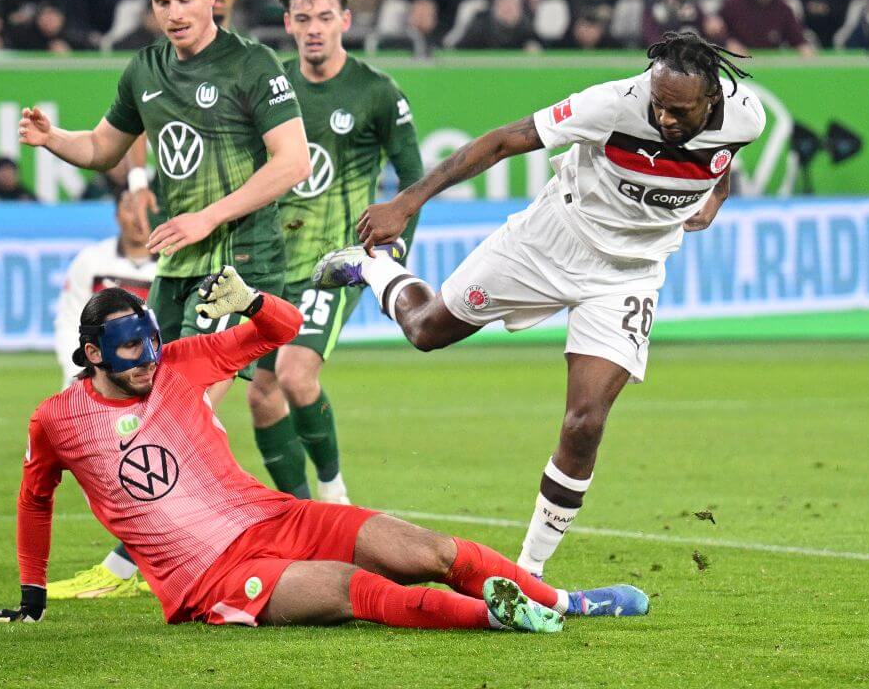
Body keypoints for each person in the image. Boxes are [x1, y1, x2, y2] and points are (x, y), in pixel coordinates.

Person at [312, 32, 766, 579]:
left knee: (585, 422)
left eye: (679, 110)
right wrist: (408, 201)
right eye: (658, 104)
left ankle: (528, 573)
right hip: (551, 240)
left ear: (712, 99)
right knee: (427, 331)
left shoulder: (748, 116)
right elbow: (506, 140)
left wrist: (714, 196)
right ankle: (374, 268)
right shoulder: (613, 103)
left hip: (628, 275)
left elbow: (725, 159)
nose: (665, 118)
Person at [0, 271, 649, 628]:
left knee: (428, 552)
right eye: (129, 353)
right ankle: (501, 619)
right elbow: (35, 500)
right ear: (92, 354)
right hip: (206, 581)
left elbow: (285, 328)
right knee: (359, 590)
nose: (148, 362)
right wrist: (31, 598)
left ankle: (564, 602)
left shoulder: (180, 361)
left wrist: (252, 301)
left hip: (277, 519)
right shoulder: (57, 421)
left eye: (151, 345)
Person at [19, 0, 310, 599]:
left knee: (194, 406)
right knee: (167, 410)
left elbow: (291, 161)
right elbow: (102, 148)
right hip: (179, 263)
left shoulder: (252, 64)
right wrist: (53, 139)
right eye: (161, 3)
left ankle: (158, 559)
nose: (174, 13)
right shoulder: (145, 68)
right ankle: (254, 534)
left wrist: (210, 217)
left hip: (241, 258)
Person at [241, 0, 424, 503]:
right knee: (262, 395)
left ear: (345, 20)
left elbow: (412, 181)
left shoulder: (376, 92)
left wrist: (391, 257)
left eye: (325, 17)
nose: (314, 29)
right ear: (288, 25)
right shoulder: (273, 91)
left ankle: (334, 492)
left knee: (297, 376)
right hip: (272, 267)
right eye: (303, 19)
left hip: (335, 263)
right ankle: (300, 512)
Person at [54, 192, 157, 387]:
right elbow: (69, 319)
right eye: (130, 208)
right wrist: (76, 369)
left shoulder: (174, 267)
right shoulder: (91, 261)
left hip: (150, 381)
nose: (139, 217)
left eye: (146, 209)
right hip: (94, 378)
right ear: (117, 215)